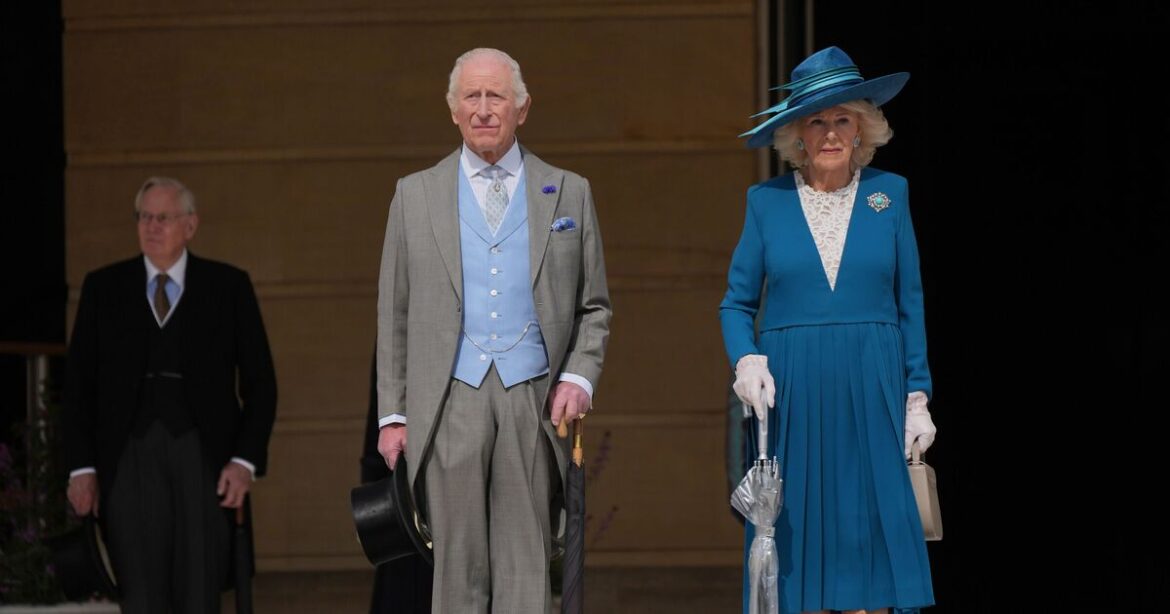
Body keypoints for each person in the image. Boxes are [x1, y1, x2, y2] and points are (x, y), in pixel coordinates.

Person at [374, 48, 611, 613]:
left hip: (532, 398)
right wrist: (393, 414)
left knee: (526, 561)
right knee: (456, 568)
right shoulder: (414, 194)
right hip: (450, 397)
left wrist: (579, 376)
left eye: (496, 96)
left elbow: (594, 305)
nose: (484, 109)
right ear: (453, 110)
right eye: (472, 97)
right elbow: (393, 311)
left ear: (522, 108)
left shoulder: (568, 190)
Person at [720, 46, 937, 614]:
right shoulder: (765, 202)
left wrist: (918, 396)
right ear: (797, 134)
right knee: (800, 553)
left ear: (863, 127)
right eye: (817, 120)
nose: (832, 132)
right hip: (795, 394)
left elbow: (909, 304)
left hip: (874, 387)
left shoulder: (890, 195)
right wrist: (747, 361)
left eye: (843, 118)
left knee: (870, 547)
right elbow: (736, 305)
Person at [63, 177, 277, 613]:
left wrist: (243, 461)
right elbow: (78, 386)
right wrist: (81, 468)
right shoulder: (104, 288)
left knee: (200, 593)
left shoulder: (228, 286)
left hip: (205, 461)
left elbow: (262, 384)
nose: (151, 226)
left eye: (163, 217)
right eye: (144, 217)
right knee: (140, 595)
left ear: (190, 225)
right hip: (126, 460)